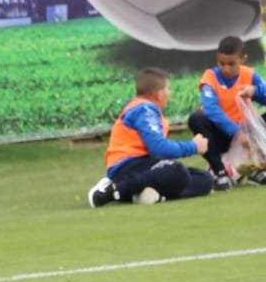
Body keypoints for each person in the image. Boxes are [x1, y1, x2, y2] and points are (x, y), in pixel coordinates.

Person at [88, 67, 214, 207]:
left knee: (204, 179)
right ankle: (112, 190)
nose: (170, 93)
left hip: (145, 165)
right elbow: (159, 148)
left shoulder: (145, 108)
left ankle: (148, 195)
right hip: (128, 166)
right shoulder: (145, 109)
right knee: (176, 171)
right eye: (168, 88)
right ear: (159, 94)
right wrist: (194, 146)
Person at [187, 35, 266, 187]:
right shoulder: (210, 77)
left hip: (248, 135)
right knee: (196, 119)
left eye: (231, 64)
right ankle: (220, 172)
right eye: (221, 63)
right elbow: (211, 110)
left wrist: (255, 91)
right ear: (217, 58)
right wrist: (237, 133)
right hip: (222, 136)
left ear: (243, 59)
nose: (225, 68)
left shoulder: (250, 75)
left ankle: (258, 168)